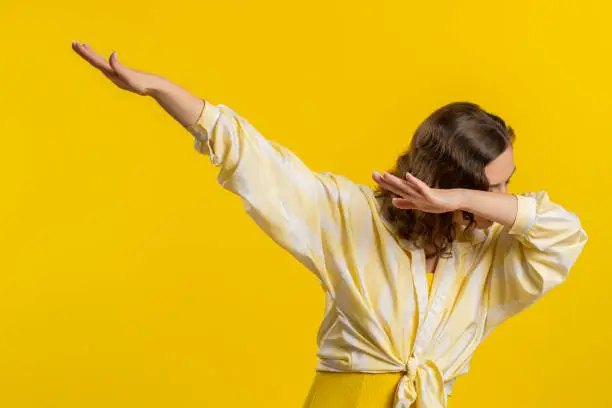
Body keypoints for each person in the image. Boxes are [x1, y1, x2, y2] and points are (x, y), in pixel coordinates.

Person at [71, 41, 588, 408]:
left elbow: (565, 234)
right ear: (444, 179)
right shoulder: (353, 216)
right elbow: (255, 159)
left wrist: (464, 198)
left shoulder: (489, 248)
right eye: (486, 187)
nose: (499, 200)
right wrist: (159, 87)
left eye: (501, 186)